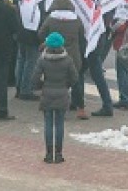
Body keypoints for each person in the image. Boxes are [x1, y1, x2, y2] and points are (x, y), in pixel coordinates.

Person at [38, 0, 88, 120]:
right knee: (76, 82)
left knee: (59, 83)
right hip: (73, 56)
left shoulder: (51, 18)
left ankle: (60, 110)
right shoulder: (76, 19)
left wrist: (49, 40)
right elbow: (82, 37)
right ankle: (81, 109)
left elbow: (41, 33)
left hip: (54, 54)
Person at [32, 32, 78, 164]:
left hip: (47, 94)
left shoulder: (42, 60)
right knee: (59, 124)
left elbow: (34, 79)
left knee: (48, 124)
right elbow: (74, 78)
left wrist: (42, 86)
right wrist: (65, 85)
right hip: (62, 94)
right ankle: (58, 154)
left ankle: (48, 153)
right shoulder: (68, 60)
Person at [15, 0, 46, 101]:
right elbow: (42, 16)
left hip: (21, 31)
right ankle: (26, 90)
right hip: (33, 33)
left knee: (21, 60)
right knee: (30, 62)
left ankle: (18, 87)